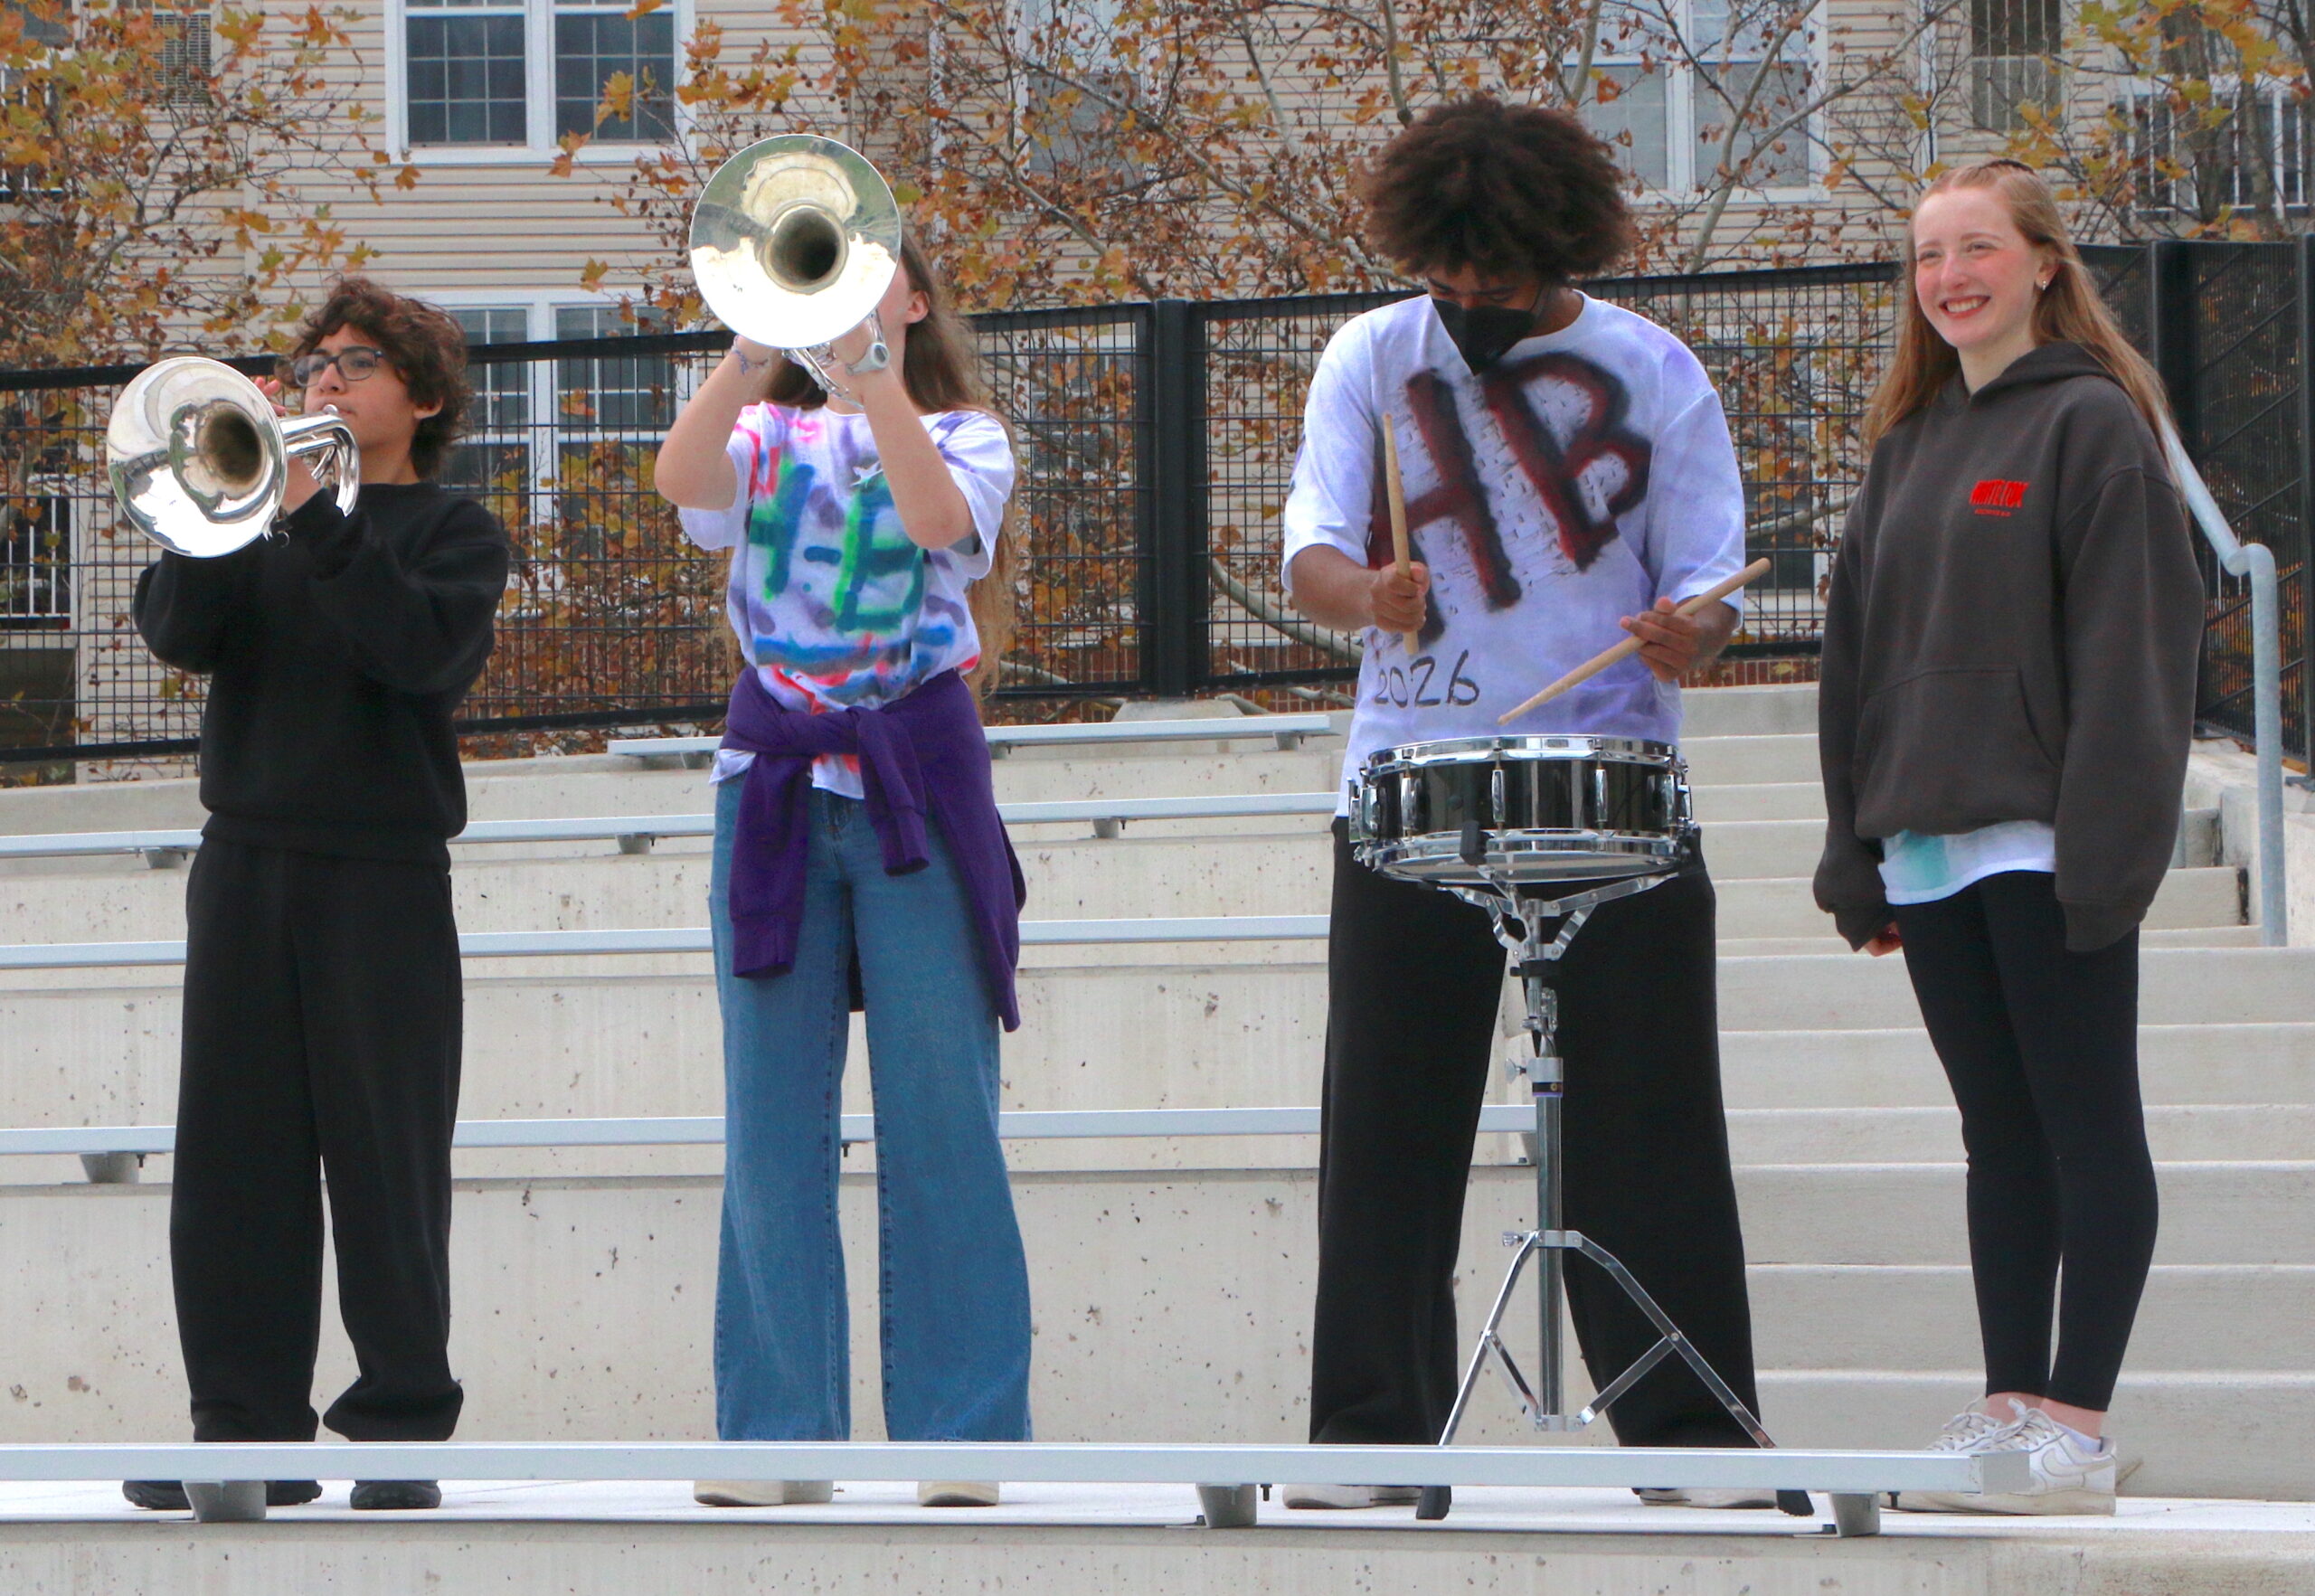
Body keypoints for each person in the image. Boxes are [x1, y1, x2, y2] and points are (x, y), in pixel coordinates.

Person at [1279, 96, 1772, 1508]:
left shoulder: (1654, 367)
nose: (1471, 299)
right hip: (1407, 775)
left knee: (1655, 1123)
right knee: (1386, 1124)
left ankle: (1698, 1446)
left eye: (1496, 275)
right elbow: (1309, 545)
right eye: (1450, 274)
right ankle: (1371, 1444)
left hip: (1615, 776)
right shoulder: (1373, 353)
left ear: (1558, 244)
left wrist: (1696, 634)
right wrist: (1365, 592)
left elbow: (1713, 584)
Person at [1813, 161, 2202, 1516]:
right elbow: (1855, 656)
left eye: (1977, 246)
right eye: (1927, 255)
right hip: (1927, 843)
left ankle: (2077, 1424)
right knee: (1999, 1138)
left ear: (2044, 262)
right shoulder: (1910, 443)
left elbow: (2135, 651)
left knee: (2089, 1131)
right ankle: (2006, 1407)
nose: (1949, 275)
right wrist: (1849, 842)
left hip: (2049, 842)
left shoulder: (2094, 424)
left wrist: (2107, 845)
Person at [655, 232, 1033, 1511]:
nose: (842, 297)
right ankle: (774, 1430)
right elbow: (680, 481)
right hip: (771, 786)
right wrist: (753, 347)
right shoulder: (767, 431)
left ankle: (964, 1432)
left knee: (942, 1109)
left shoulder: (966, 433)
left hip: (913, 776)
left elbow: (937, 524)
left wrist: (875, 378)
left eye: (872, 278)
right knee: (772, 1116)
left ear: (916, 300)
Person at [127, 278, 511, 1513]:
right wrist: (207, 520)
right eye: (313, 361)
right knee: (233, 1159)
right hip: (245, 861)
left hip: (383, 874)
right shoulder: (247, 520)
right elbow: (180, 638)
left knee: (387, 1156)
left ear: (425, 396)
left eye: (359, 361)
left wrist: (321, 518)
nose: (326, 378)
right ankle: (244, 1429)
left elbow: (419, 654)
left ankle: (399, 1429)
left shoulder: (452, 529)